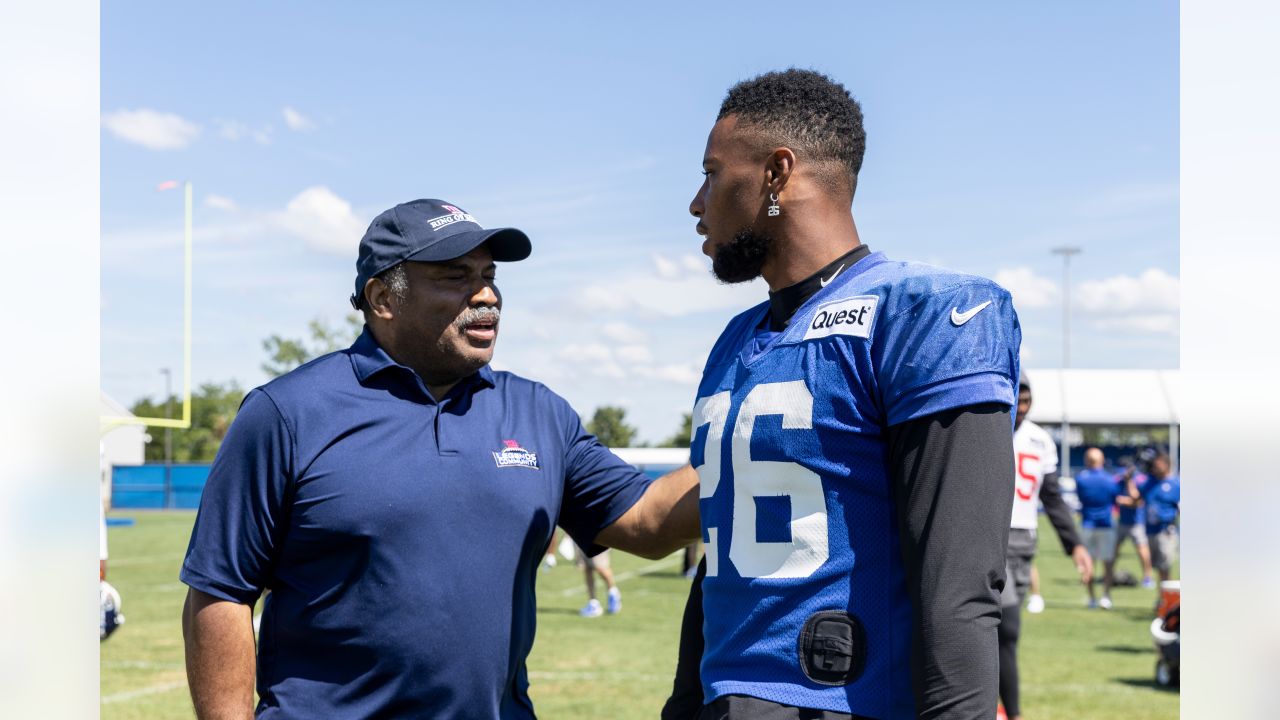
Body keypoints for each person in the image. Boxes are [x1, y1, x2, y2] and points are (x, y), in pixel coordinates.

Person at [179, 198, 700, 719]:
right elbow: (221, 593)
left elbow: (650, 521)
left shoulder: (538, 412)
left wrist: (748, 446)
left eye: (489, 275)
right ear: (383, 297)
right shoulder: (286, 413)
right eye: (456, 277)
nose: (487, 295)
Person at [663, 68, 1023, 720]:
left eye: (713, 174)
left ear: (776, 175)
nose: (697, 202)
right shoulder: (738, 338)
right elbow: (725, 554)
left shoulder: (924, 311)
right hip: (726, 700)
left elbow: (960, 588)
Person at [1000, 376, 1093, 720]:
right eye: (1017, 400)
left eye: (1027, 401)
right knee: (1005, 627)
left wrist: (1075, 545)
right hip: (992, 538)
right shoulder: (987, 429)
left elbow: (1052, 498)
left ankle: (999, 706)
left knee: (1005, 632)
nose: (1021, 408)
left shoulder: (1041, 440)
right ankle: (1012, 712)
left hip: (1026, 540)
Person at [1075, 447, 1120, 609]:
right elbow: (1115, 499)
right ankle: (1106, 597)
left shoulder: (1081, 479)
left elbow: (1080, 497)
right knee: (1108, 563)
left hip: (1087, 524)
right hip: (1106, 525)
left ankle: (1092, 598)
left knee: (1088, 563)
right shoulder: (1110, 480)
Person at [1112, 461, 1155, 587]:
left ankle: (1147, 577)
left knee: (1142, 550)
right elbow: (1114, 498)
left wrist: (1129, 482)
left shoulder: (1140, 480)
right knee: (1113, 550)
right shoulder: (1118, 480)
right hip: (1122, 522)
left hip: (1137, 523)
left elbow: (1137, 500)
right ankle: (1109, 575)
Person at [1142, 453, 1181, 590]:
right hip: (1151, 530)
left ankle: (1168, 599)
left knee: (1165, 566)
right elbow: (1137, 497)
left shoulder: (1175, 484)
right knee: (1159, 567)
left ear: (1166, 465)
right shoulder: (1150, 483)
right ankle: (1163, 598)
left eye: (1157, 465)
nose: (1155, 468)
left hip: (1166, 530)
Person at [575, 544, 622, 617]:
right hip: (582, 539)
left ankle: (613, 593)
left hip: (597, 539)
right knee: (587, 568)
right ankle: (593, 603)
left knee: (600, 567)